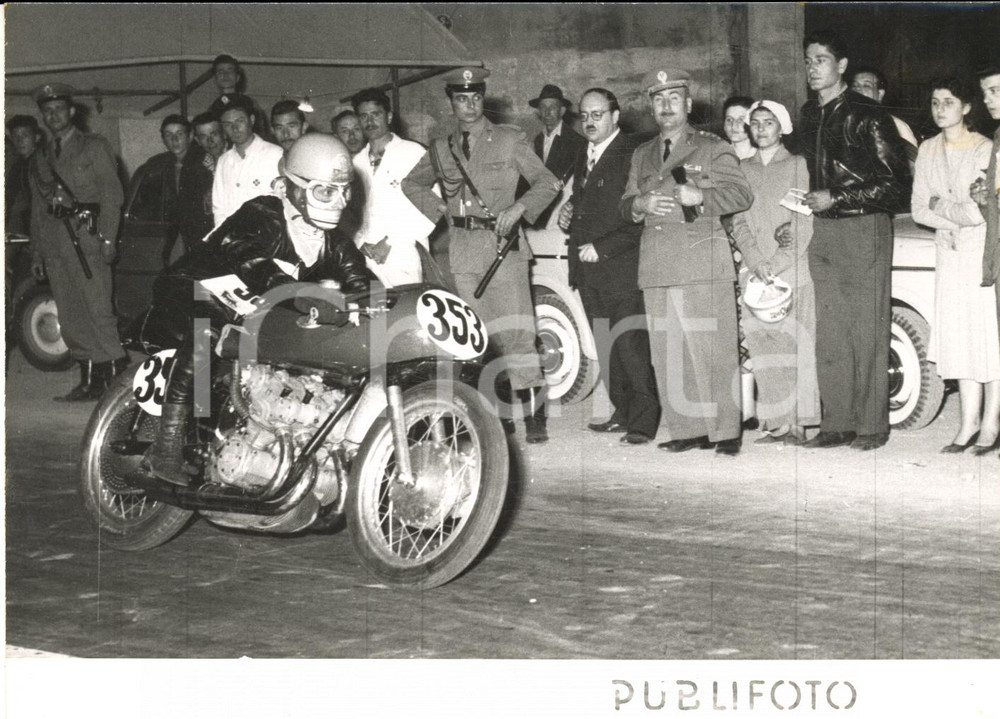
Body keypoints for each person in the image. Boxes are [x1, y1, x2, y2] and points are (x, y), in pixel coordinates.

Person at [141, 134, 373, 486]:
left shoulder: (334, 243)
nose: (338, 201)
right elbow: (250, 259)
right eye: (326, 191)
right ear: (293, 188)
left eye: (344, 191)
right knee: (207, 333)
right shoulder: (262, 213)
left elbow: (363, 282)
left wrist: (386, 303)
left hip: (252, 305)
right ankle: (166, 448)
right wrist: (300, 293)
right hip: (196, 287)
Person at [402, 67, 560, 443]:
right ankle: (495, 420)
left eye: (475, 98)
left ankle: (534, 418)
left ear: (482, 99)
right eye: (461, 98)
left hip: (503, 248)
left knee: (518, 335)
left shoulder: (508, 139)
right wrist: (441, 212)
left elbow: (547, 182)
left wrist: (519, 208)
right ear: (451, 102)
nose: (469, 105)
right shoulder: (442, 148)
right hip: (464, 253)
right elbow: (411, 183)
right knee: (479, 340)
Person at [620, 68, 752, 456]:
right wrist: (639, 205)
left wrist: (702, 197)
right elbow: (625, 204)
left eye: (673, 98)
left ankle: (726, 432)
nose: (665, 106)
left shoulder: (711, 147)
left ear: (688, 104)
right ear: (651, 106)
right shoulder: (642, 153)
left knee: (713, 349)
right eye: (658, 100)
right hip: (657, 265)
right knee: (669, 351)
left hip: (700, 261)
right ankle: (687, 428)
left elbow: (741, 194)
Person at [797, 31, 911, 451]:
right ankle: (837, 423)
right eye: (808, 60)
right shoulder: (810, 114)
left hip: (865, 229)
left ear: (841, 66)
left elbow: (897, 186)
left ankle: (871, 427)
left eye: (821, 60)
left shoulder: (869, 114)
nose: (813, 68)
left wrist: (839, 196)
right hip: (823, 229)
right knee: (830, 331)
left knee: (867, 329)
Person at [557, 88, 659, 444]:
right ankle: (624, 411)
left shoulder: (632, 153)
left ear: (615, 117)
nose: (589, 121)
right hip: (588, 270)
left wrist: (602, 247)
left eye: (597, 114)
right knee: (606, 346)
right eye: (584, 115)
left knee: (630, 345)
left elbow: (639, 214)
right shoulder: (584, 154)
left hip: (620, 267)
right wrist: (568, 216)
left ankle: (645, 420)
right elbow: (589, 206)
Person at [911, 77, 999, 455]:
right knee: (958, 338)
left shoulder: (984, 148)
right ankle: (967, 424)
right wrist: (949, 214)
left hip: (978, 254)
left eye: (949, 101)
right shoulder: (928, 149)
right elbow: (917, 208)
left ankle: (991, 424)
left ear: (966, 108)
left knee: (986, 338)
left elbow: (980, 214)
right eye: (934, 102)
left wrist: (940, 208)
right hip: (946, 254)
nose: (940, 108)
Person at [27, 83, 127, 401]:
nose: (53, 115)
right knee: (70, 316)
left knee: (98, 310)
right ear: (42, 116)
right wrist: (37, 253)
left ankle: (115, 382)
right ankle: (89, 380)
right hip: (56, 247)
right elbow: (38, 210)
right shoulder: (40, 158)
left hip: (87, 240)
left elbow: (112, 197)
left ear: (71, 112)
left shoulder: (94, 146)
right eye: (47, 111)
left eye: (59, 109)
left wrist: (109, 238)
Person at [729, 100, 819, 445]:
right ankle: (776, 422)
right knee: (763, 345)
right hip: (755, 271)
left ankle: (799, 423)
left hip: (792, 270)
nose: (761, 129)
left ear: (782, 128)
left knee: (797, 343)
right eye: (756, 123)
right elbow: (737, 219)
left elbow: (804, 219)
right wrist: (755, 261)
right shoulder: (742, 168)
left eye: (769, 123)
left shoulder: (798, 165)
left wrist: (778, 261)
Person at [350, 88, 435, 287]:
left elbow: (431, 209)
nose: (369, 121)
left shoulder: (414, 153)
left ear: (388, 116)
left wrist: (390, 242)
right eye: (363, 116)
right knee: (375, 314)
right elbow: (351, 215)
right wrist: (360, 243)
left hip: (403, 253)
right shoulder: (356, 162)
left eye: (376, 114)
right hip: (367, 255)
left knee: (404, 314)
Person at [131, 115, 208, 263]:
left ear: (190, 136)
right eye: (168, 135)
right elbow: (147, 202)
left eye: (180, 134)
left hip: (200, 231)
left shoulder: (204, 161)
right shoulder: (157, 164)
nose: (174, 140)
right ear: (163, 139)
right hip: (173, 232)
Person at [519, 84, 586, 228]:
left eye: (553, 107)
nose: (547, 112)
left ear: (562, 111)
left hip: (561, 215)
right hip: (535, 216)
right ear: (538, 112)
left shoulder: (577, 143)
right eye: (543, 107)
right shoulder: (535, 141)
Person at [212, 95, 284, 225]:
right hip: (231, 240)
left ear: (251, 120)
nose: (234, 128)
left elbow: (284, 204)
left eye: (239, 121)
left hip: (266, 240)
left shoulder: (275, 155)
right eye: (227, 124)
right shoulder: (224, 161)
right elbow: (219, 208)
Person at [850, 66, 920, 153]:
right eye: (855, 85)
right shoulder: (846, 122)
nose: (858, 90)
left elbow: (912, 163)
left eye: (866, 86)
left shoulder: (897, 126)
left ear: (880, 94)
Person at [207, 54, 270, 141]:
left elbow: (262, 132)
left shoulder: (250, 103)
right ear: (215, 78)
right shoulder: (213, 107)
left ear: (237, 77)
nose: (225, 75)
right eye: (220, 71)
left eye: (230, 71)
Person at [5, 115, 42, 234]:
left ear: (36, 137)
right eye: (15, 136)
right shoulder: (17, 166)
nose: (20, 141)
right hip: (27, 228)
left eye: (25, 135)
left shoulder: (44, 163)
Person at [722, 95, 756, 161]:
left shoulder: (763, 156)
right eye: (729, 119)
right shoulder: (718, 155)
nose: (734, 125)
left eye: (741, 120)